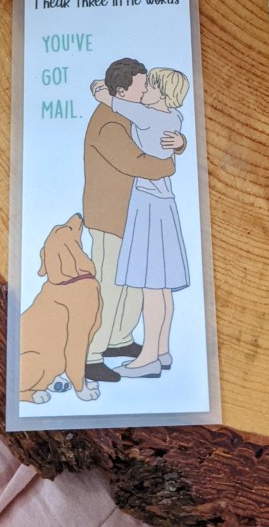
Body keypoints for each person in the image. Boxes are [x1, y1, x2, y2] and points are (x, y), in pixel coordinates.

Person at [82, 58, 184, 383]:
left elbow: (166, 128)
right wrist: (169, 165)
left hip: (136, 213)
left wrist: (180, 144)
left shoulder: (130, 112)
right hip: (111, 214)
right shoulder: (110, 121)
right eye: (142, 87)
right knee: (110, 283)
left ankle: (119, 339)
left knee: (135, 284)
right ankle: (91, 354)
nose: (145, 92)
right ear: (123, 92)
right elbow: (136, 162)